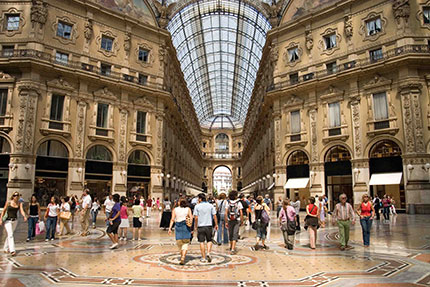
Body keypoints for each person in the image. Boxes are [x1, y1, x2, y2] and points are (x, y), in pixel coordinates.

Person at [193, 193, 218, 263]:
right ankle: (208, 253)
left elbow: (196, 217)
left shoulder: (197, 206)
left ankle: (203, 258)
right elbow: (214, 216)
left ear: (200, 199)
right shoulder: (210, 206)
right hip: (209, 225)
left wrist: (195, 226)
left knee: (201, 241)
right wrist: (216, 224)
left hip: (200, 226)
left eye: (198, 198)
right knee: (209, 240)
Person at [169, 198, 192, 265]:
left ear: (179, 202)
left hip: (178, 226)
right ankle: (183, 257)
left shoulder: (175, 210)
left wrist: (170, 228)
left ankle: (182, 256)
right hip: (186, 226)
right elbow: (191, 217)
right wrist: (191, 225)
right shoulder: (188, 209)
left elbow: (172, 219)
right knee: (186, 242)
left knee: (179, 243)